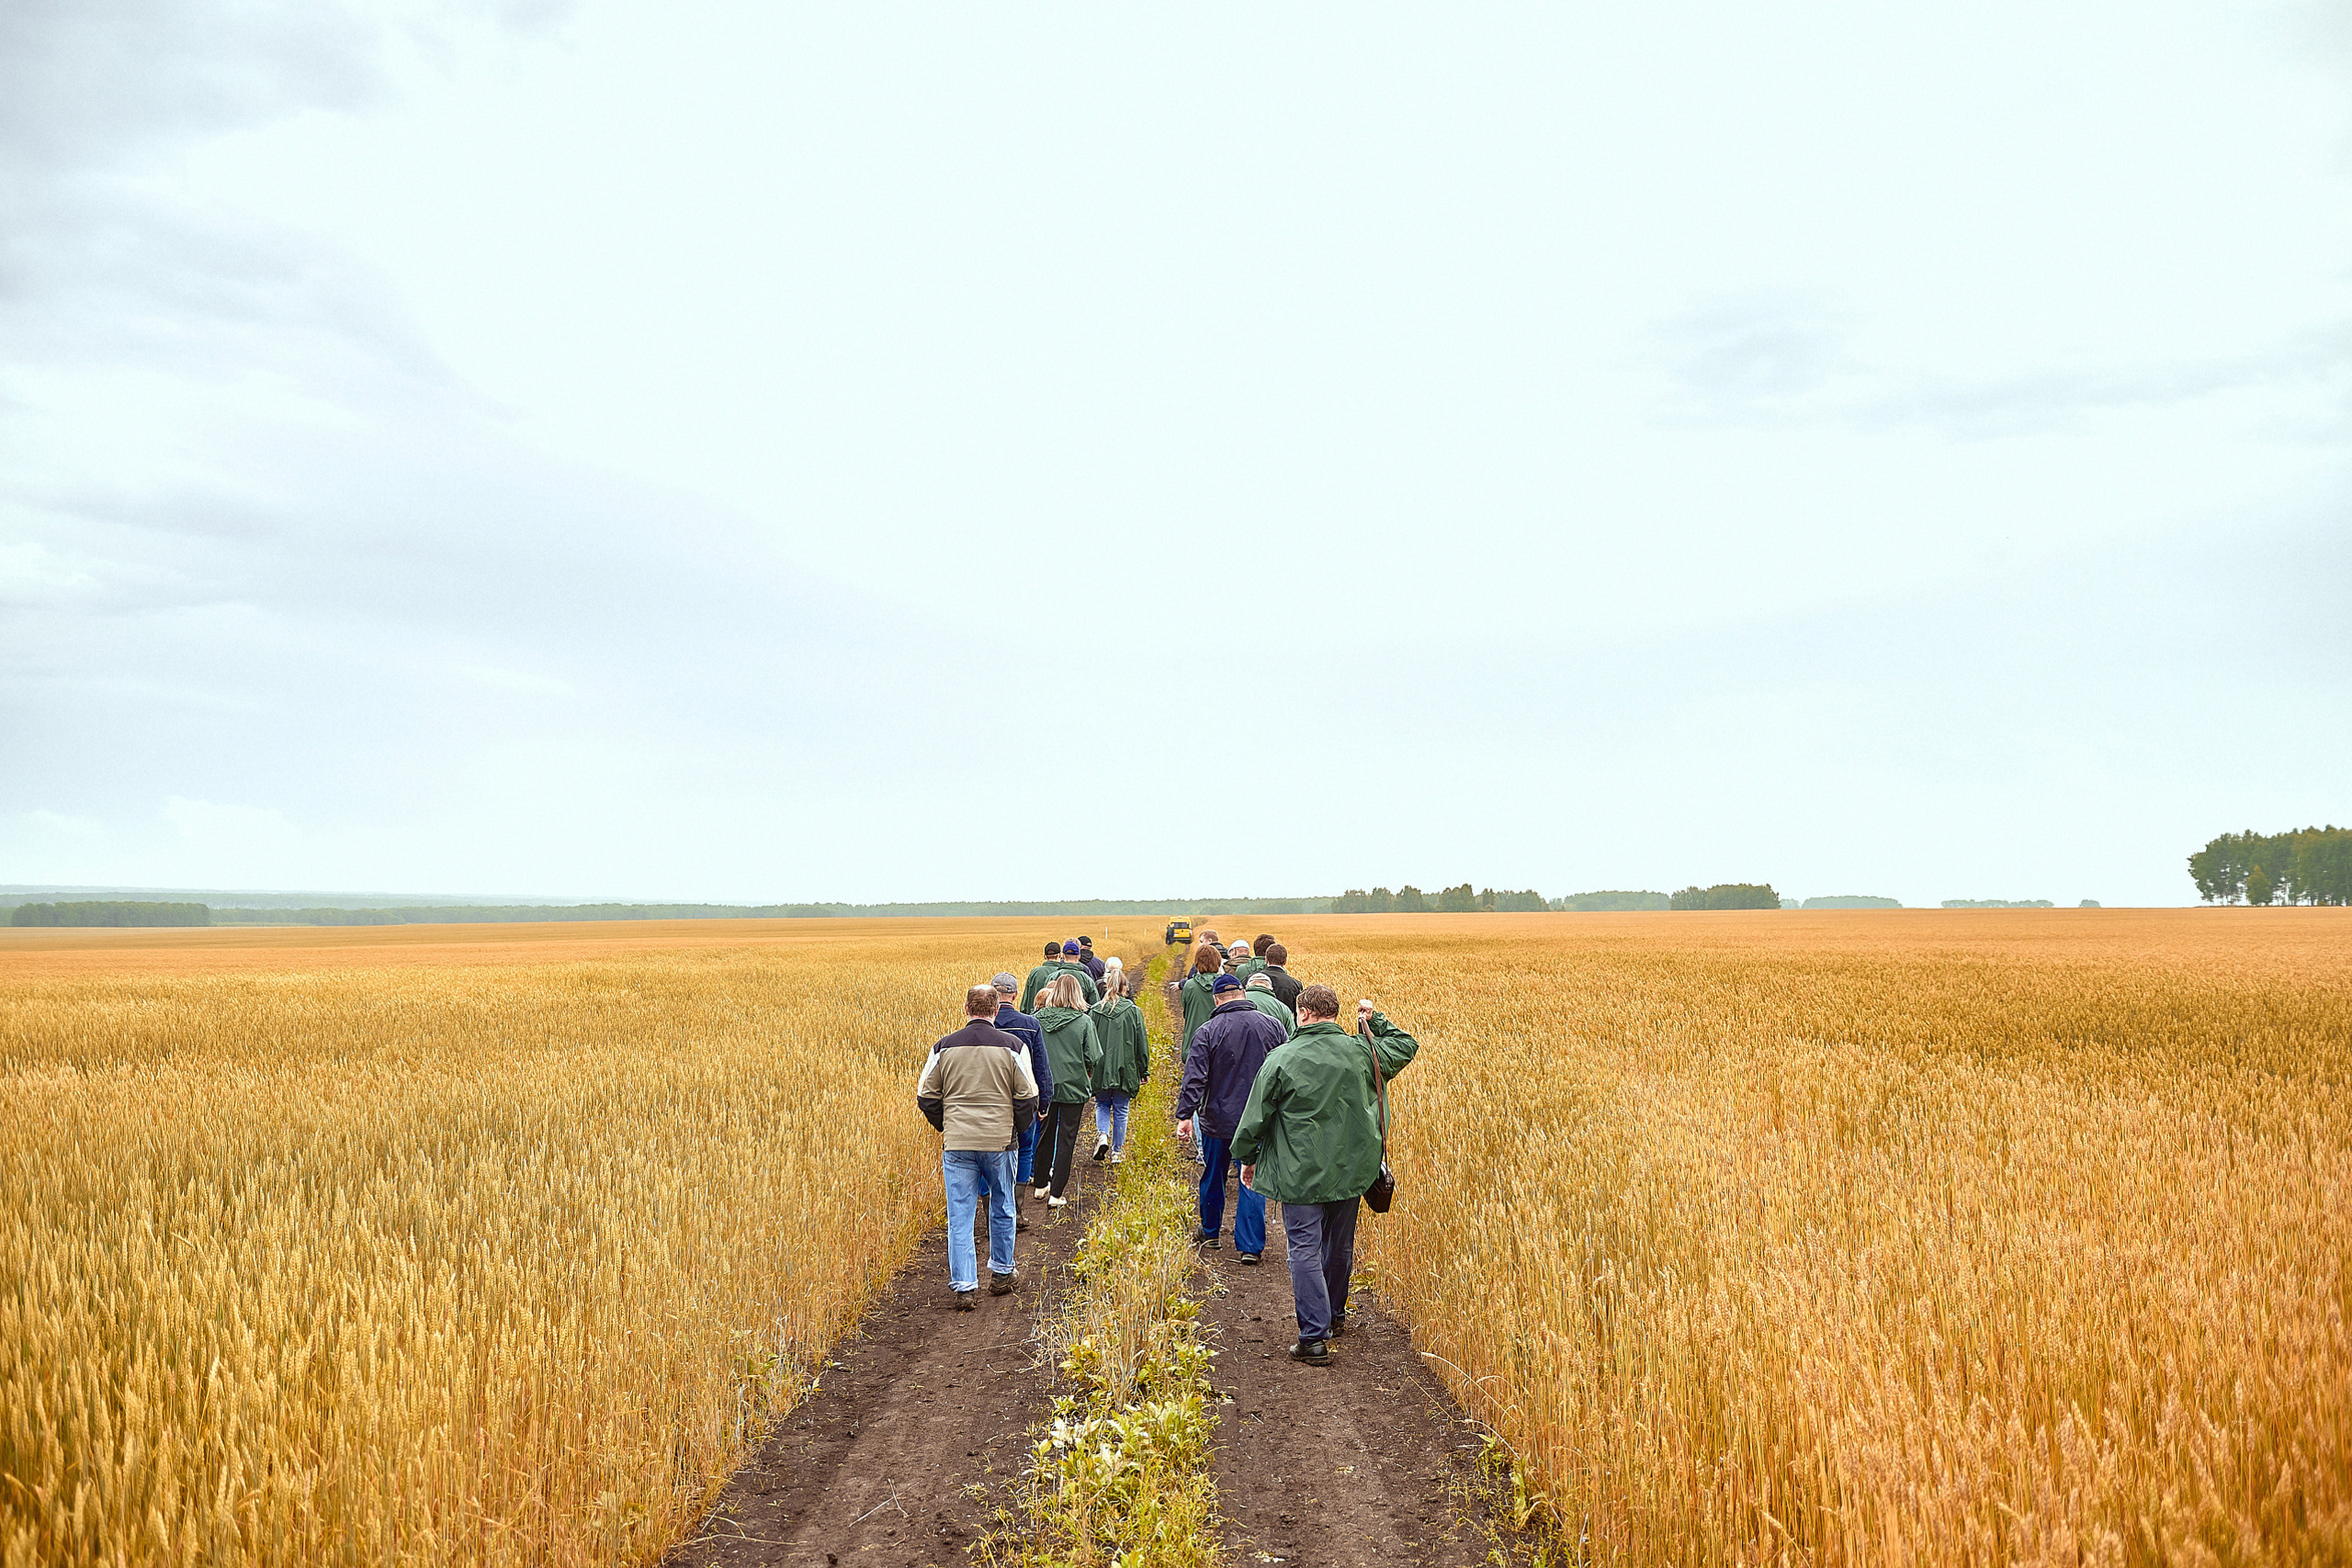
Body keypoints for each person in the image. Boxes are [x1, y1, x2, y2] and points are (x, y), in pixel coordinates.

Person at [1231, 985, 1419, 1365]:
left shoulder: (1282, 1058)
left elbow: (1255, 1119)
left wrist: (1246, 1159)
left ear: (1302, 1013)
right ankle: (1334, 1315)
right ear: (1334, 1013)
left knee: (1303, 1248)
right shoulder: (1363, 1051)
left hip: (1300, 1173)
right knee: (1339, 1244)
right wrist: (1372, 1018)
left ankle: (1314, 1338)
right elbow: (1405, 1045)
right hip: (1352, 1170)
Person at [917, 984, 1040, 1309]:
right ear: (996, 1010)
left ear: (966, 1009)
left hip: (958, 1143)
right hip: (1000, 1142)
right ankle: (1002, 1273)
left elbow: (926, 1096)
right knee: (1003, 1205)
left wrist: (947, 1124)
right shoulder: (1014, 1046)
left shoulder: (943, 1047)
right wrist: (1014, 1127)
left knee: (960, 1214)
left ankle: (965, 1287)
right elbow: (1028, 1096)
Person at [1174, 974, 1288, 1261]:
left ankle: (1210, 1232)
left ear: (1216, 999)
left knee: (1213, 1176)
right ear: (1243, 994)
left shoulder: (1208, 1030)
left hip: (1217, 1120)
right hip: (1258, 1122)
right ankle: (1250, 1247)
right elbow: (1286, 1072)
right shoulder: (1273, 1026)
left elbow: (1195, 1078)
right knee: (1251, 1179)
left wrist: (1185, 1115)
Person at [1032, 973, 1102, 1208]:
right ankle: (1056, 1193)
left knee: (1044, 1134)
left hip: (1045, 1088)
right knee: (1066, 1140)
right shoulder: (1084, 1022)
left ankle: (1040, 1184)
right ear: (1078, 994)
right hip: (1073, 1087)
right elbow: (1093, 1056)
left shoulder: (1037, 1019)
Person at [991, 972, 1051, 1213]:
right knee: (1025, 1148)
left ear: (993, 994)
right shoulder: (1030, 1023)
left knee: (993, 1151)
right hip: (1025, 1100)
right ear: (1015, 995)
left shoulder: (985, 1024)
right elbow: (1041, 1067)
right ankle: (1016, 1208)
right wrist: (1044, 1102)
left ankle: (995, 1207)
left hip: (993, 1100)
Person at [1089, 959, 1150, 1163]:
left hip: (1101, 1067)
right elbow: (1141, 1044)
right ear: (1125, 988)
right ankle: (1116, 1152)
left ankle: (1103, 1135)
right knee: (1122, 1109)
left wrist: (1088, 1068)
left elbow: (1089, 1042)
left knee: (1102, 1103)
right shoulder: (1133, 1011)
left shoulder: (1095, 1010)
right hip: (1127, 1068)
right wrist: (1144, 1071)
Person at [1178, 942, 1223, 1055]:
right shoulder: (1224, 984)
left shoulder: (1190, 985)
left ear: (1197, 963)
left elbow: (1186, 1012)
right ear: (1218, 962)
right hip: (1220, 1042)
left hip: (1194, 1043)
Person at [1243, 971, 1295, 1037]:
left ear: (1247, 987)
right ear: (1271, 988)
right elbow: (1291, 1037)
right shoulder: (1282, 1008)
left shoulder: (1237, 1001)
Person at [1260, 942, 1303, 1011]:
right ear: (1285, 961)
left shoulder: (1251, 979)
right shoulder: (1295, 984)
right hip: (1284, 1022)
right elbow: (1298, 1013)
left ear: (1266, 959)